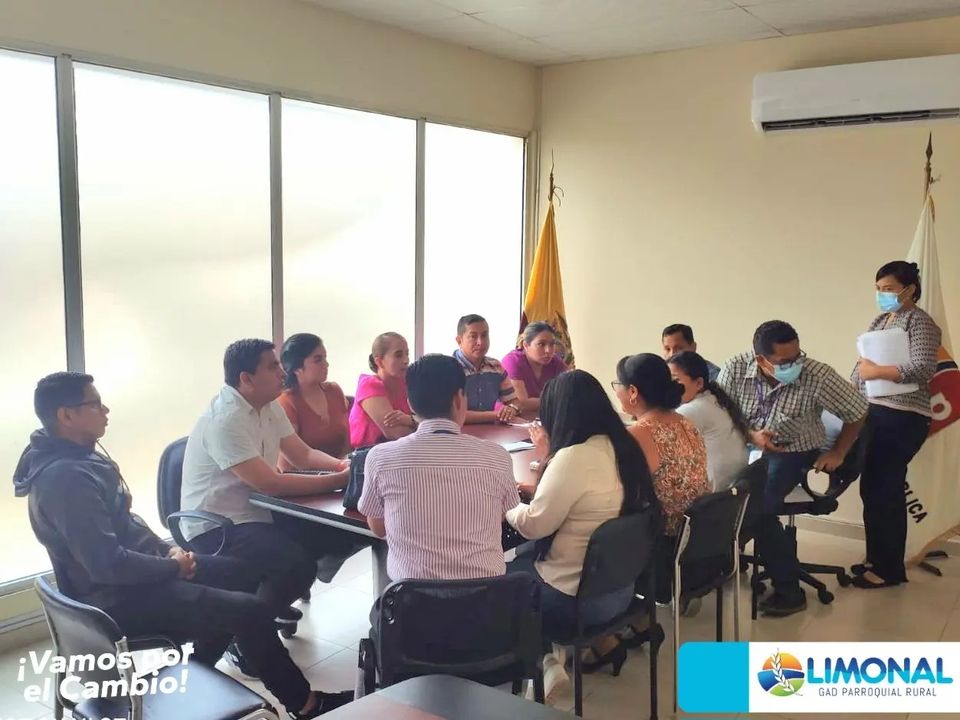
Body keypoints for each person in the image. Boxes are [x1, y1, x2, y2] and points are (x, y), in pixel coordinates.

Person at [14, 372, 352, 718]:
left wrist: (168, 551)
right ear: (66, 416)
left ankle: (195, 670)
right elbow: (107, 565)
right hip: (115, 599)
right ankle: (305, 704)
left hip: (134, 577)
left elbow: (127, 523)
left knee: (243, 574)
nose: (106, 410)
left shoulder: (82, 459)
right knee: (249, 612)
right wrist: (172, 568)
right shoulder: (66, 480)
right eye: (95, 404)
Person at [181, 339, 352, 628]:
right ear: (246, 378)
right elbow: (270, 484)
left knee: (331, 535)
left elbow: (302, 454)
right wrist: (337, 481)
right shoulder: (225, 420)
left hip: (259, 511)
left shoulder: (268, 404)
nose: (282, 373)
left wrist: (341, 466)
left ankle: (266, 602)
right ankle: (244, 626)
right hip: (218, 525)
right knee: (296, 566)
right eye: (273, 367)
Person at [506, 370, 658, 691]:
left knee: (506, 573)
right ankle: (586, 647)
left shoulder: (573, 458)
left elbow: (533, 525)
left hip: (576, 604)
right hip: (620, 591)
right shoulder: (624, 447)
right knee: (529, 557)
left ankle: (544, 658)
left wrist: (506, 503)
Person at [719, 320, 868, 616]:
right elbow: (722, 412)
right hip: (746, 446)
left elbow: (859, 411)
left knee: (757, 508)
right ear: (761, 360)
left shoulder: (817, 375)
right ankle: (723, 560)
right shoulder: (735, 368)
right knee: (718, 494)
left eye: (798, 356)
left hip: (793, 452)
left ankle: (789, 591)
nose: (795, 365)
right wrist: (751, 435)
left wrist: (839, 452)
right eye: (785, 362)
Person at [358, 353, 520, 581]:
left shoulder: (380, 458)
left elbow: (378, 527)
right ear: (459, 399)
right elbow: (502, 516)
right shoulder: (497, 457)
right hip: (486, 598)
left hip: (411, 599)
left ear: (410, 403)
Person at [851, 261, 940, 589]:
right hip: (874, 411)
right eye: (878, 289)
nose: (882, 295)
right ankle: (876, 558)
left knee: (886, 488)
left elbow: (923, 368)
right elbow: (861, 366)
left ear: (909, 289)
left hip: (904, 416)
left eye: (888, 289)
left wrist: (877, 372)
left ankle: (889, 569)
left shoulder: (921, 321)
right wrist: (852, 394)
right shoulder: (880, 320)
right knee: (872, 488)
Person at [668, 351, 750, 491]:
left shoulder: (693, 409)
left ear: (699, 383)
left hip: (712, 495)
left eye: (675, 380)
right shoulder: (713, 399)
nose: (669, 387)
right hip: (730, 491)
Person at [278, 333, 351, 470]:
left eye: (325, 358)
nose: (326, 364)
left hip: (342, 471)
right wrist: (339, 468)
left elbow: (347, 445)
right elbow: (288, 465)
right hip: (305, 478)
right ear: (297, 368)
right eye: (318, 360)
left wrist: (346, 468)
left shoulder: (334, 391)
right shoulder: (286, 402)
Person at [349, 332, 415, 448]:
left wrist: (411, 420)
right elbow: (395, 433)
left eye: (407, 354)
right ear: (379, 362)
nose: (406, 360)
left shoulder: (410, 382)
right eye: (398, 355)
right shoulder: (369, 384)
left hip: (404, 450)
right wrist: (418, 424)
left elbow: (434, 422)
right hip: (368, 453)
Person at [453, 314, 520, 424]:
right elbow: (454, 415)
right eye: (473, 336)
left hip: (492, 430)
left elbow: (513, 400)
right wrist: (496, 415)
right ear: (459, 340)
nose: (480, 342)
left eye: (484, 335)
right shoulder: (450, 369)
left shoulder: (495, 366)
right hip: (458, 432)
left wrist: (511, 409)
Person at [500, 322, 568, 412]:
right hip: (514, 417)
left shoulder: (556, 362)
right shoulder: (512, 361)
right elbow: (521, 404)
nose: (548, 350)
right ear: (526, 345)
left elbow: (569, 394)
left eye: (552, 344)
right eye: (541, 344)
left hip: (543, 416)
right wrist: (557, 401)